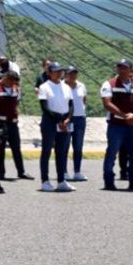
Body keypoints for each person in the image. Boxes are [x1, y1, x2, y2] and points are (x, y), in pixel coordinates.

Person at [101, 59, 133, 191]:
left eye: (124, 67)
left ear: (131, 70)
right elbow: (107, 103)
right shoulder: (109, 84)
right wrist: (125, 115)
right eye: (119, 67)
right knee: (112, 152)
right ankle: (109, 181)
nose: (121, 70)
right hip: (116, 124)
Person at [36, 62, 75, 192]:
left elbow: (70, 105)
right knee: (46, 151)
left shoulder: (66, 87)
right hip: (50, 121)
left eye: (61, 71)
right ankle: (45, 181)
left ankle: (61, 180)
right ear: (49, 73)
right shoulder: (44, 87)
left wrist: (68, 119)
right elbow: (44, 107)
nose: (59, 73)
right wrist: (58, 119)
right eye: (56, 71)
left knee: (62, 152)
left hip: (64, 121)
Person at [0, 70, 32, 181]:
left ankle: (21, 171)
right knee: (0, 148)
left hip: (12, 123)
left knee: (16, 148)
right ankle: (1, 172)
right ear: (6, 78)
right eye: (12, 82)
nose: (13, 85)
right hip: (0, 123)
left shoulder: (16, 89)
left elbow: (16, 103)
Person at [65, 66, 88, 182]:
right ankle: (63, 171)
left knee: (78, 147)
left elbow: (84, 100)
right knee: (64, 146)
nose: (73, 76)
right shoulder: (62, 86)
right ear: (66, 75)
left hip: (80, 118)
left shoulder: (81, 86)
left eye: (74, 73)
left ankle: (77, 171)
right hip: (67, 119)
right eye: (70, 74)